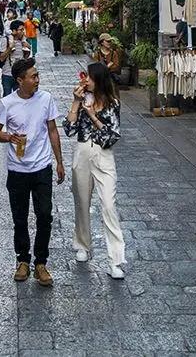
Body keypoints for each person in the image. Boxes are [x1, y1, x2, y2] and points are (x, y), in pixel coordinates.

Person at [0, 57, 65, 287]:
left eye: (37, 75)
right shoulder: (7, 103)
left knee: (44, 215)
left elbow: (52, 130)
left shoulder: (46, 99)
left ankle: (41, 263)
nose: (37, 80)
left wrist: (59, 162)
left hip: (41, 167)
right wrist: (9, 137)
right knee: (20, 217)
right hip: (17, 170)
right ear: (20, 80)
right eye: (33, 77)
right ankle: (23, 260)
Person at [64, 62, 126, 279]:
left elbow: (112, 136)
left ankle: (116, 260)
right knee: (82, 202)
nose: (85, 80)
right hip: (82, 152)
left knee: (109, 205)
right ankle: (82, 245)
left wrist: (93, 116)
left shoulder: (112, 103)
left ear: (98, 79)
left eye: (89, 77)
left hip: (103, 155)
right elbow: (69, 129)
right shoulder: (82, 100)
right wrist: (76, 102)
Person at [0, 19, 29, 96]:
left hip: (19, 74)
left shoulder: (23, 41)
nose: (23, 32)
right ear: (14, 31)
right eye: (20, 30)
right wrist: (10, 48)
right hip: (7, 74)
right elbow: (1, 58)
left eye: (23, 30)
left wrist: (28, 51)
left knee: (19, 97)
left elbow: (25, 58)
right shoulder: (6, 40)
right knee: (7, 96)